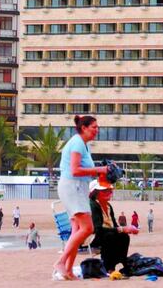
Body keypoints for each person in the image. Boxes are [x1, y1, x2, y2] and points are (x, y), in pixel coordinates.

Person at [53, 115, 108, 280]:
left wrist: (101, 172)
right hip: (72, 186)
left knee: (77, 229)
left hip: (76, 187)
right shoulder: (77, 142)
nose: (96, 130)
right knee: (87, 228)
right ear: (84, 128)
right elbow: (75, 170)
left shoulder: (83, 144)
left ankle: (68, 270)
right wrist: (100, 170)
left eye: (97, 127)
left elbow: (83, 170)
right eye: (94, 127)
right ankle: (61, 262)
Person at [89, 180, 138, 272]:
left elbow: (114, 225)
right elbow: (97, 229)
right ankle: (108, 267)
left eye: (109, 190)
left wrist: (125, 230)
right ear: (95, 193)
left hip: (105, 234)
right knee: (110, 237)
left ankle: (122, 262)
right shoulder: (93, 205)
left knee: (124, 236)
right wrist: (121, 229)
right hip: (93, 237)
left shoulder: (108, 206)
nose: (109, 193)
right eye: (104, 191)